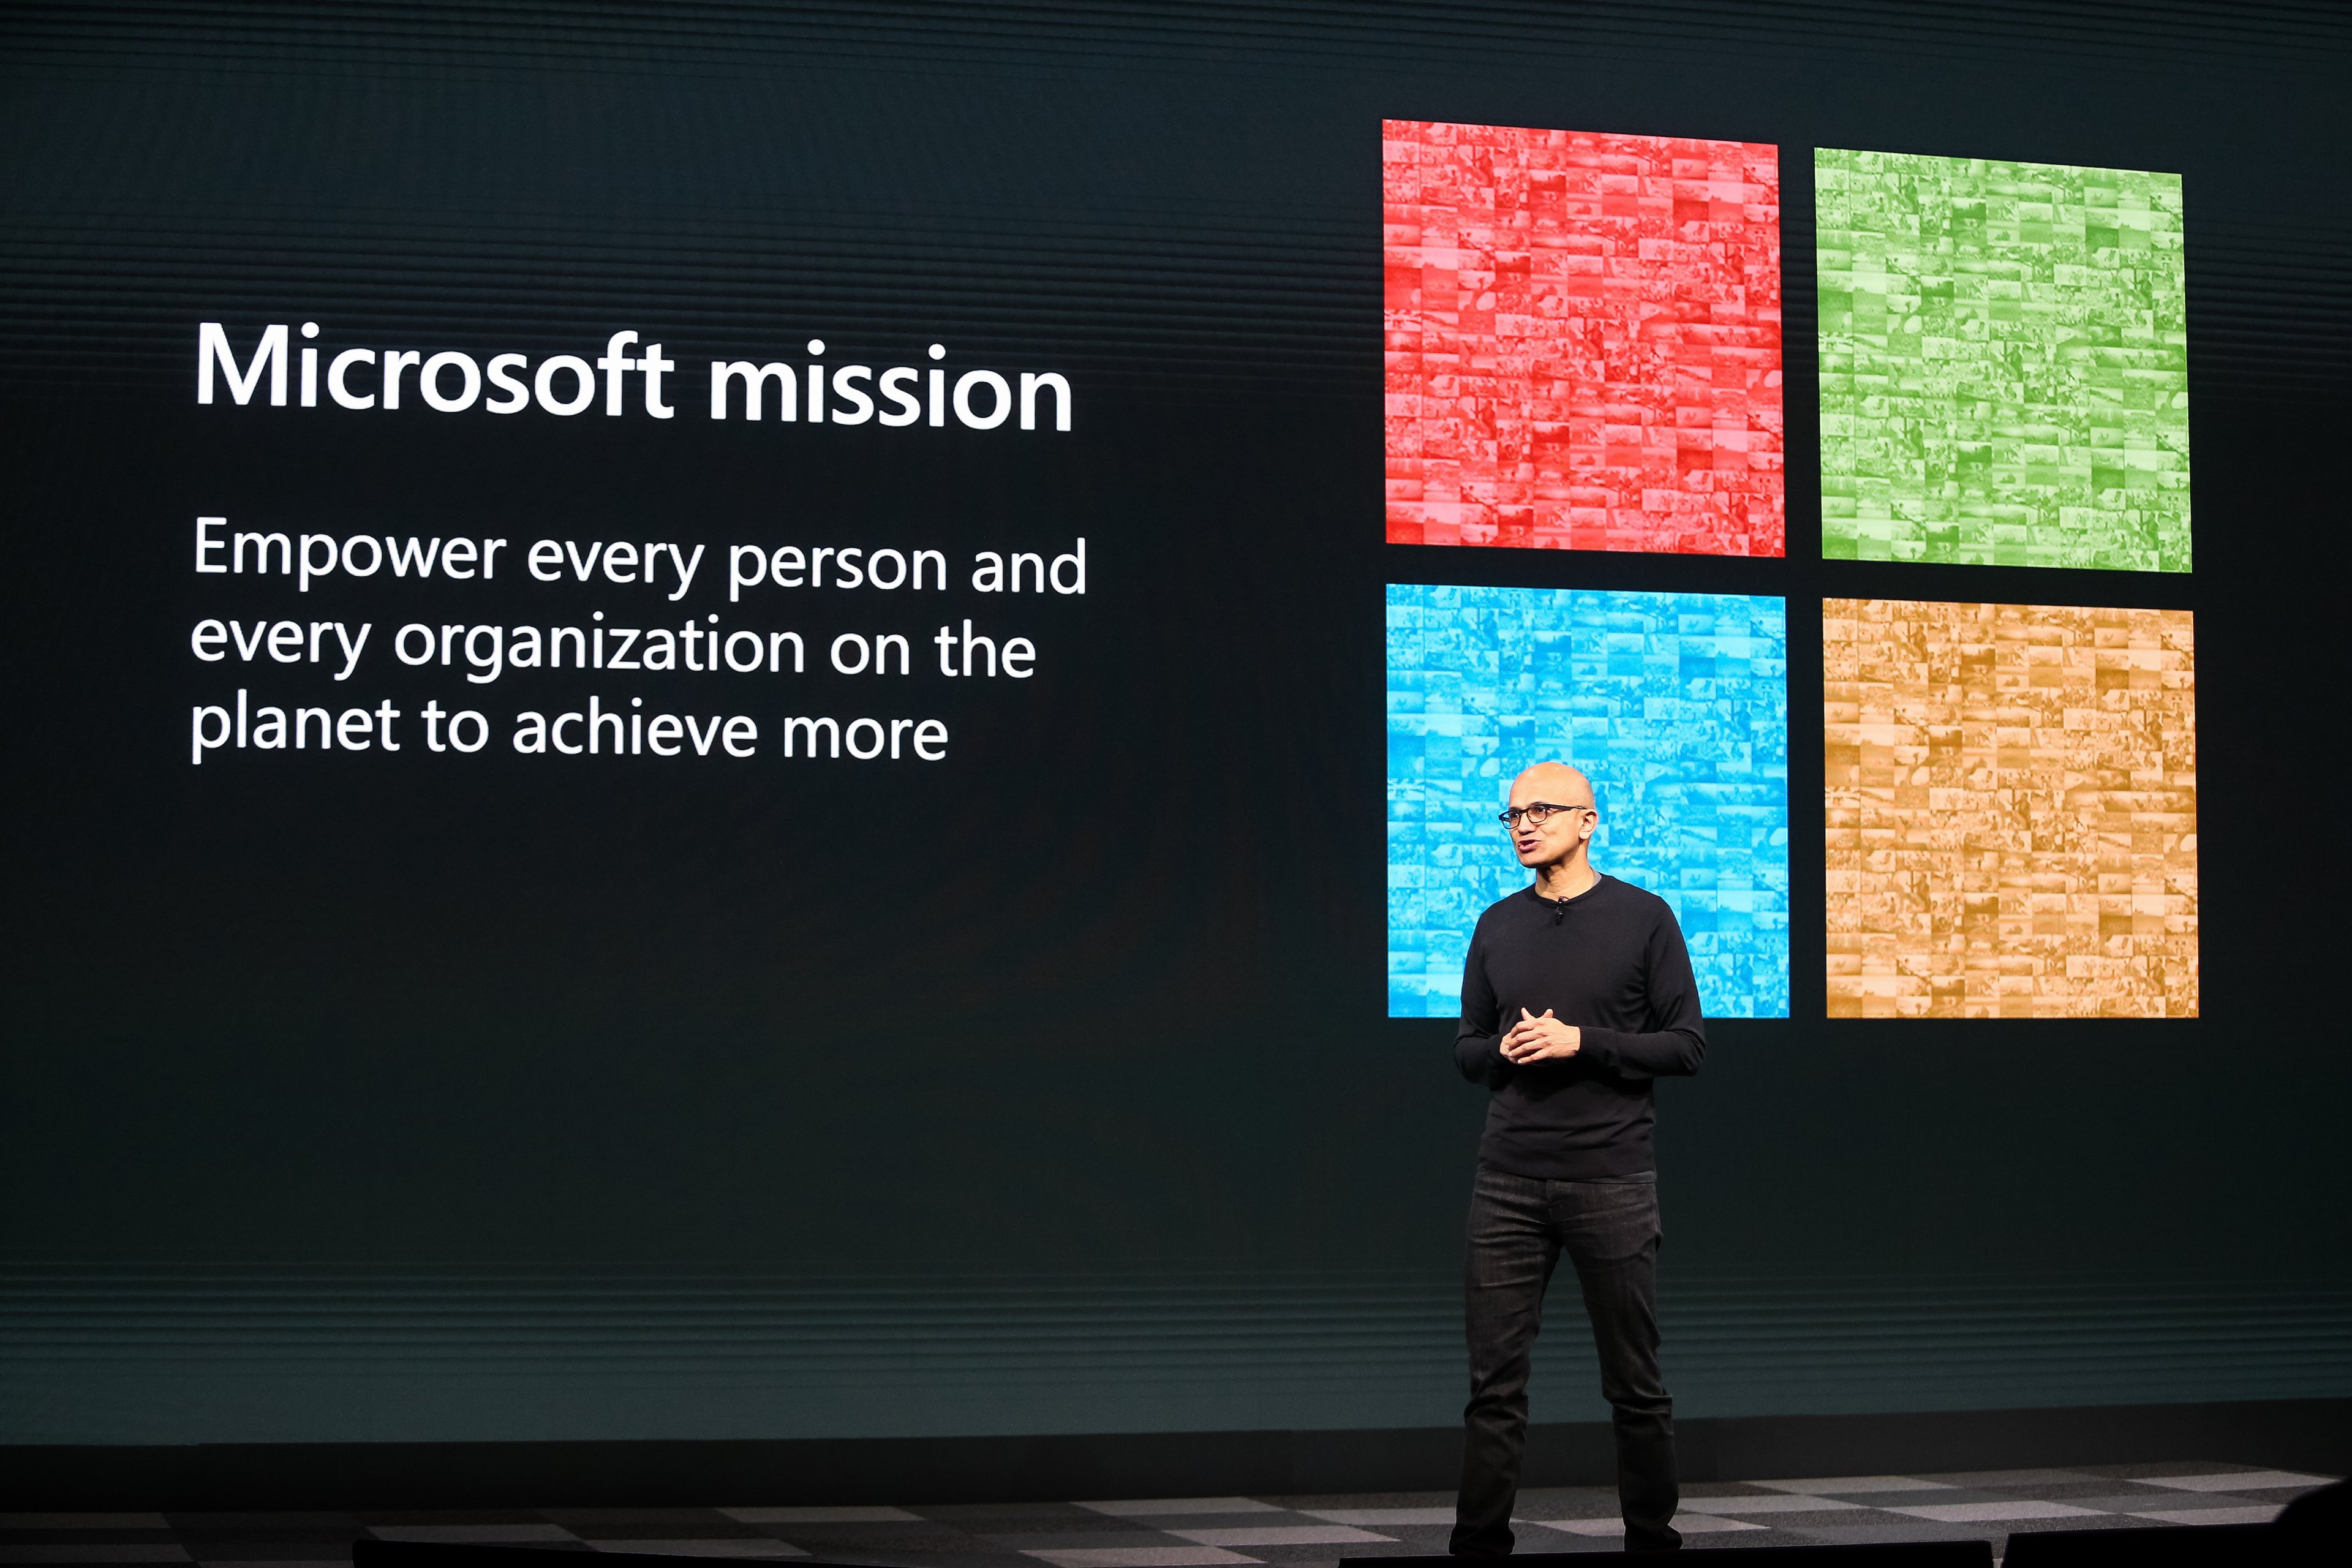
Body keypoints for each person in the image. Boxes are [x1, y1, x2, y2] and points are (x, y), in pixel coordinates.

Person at [1449, 761, 1706, 1556]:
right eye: (1513, 815)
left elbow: (1687, 1045)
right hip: (1507, 1181)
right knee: (1494, 1387)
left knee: (1635, 1383)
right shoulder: (1496, 925)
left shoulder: (1644, 918)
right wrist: (1502, 1049)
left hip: (1611, 1179)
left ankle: (1652, 1540)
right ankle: (1479, 1545)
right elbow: (1465, 1049)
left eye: (1542, 810)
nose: (1524, 825)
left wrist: (1581, 1042)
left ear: (1589, 822)